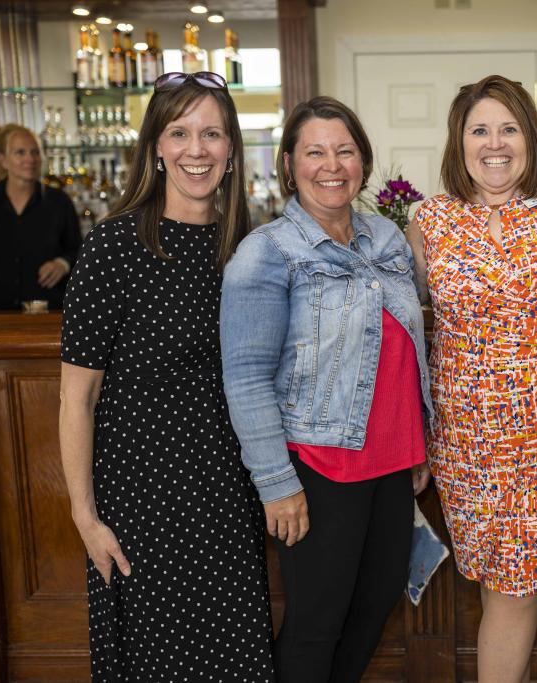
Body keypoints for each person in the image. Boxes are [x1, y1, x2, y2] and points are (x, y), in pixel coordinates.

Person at [57, 71, 274, 681]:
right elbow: (77, 398)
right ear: (156, 145)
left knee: (233, 661)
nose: (195, 150)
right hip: (142, 504)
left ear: (232, 149)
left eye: (211, 134)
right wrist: (85, 518)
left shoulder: (247, 248)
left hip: (227, 498)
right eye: (179, 133)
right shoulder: (114, 247)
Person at [220, 95, 433, 682]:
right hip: (318, 470)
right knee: (317, 624)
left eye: (344, 151)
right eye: (314, 152)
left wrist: (417, 442)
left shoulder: (386, 239)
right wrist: (275, 483)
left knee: (372, 611)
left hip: (391, 466)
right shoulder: (266, 254)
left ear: (363, 162)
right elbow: (244, 375)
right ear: (289, 164)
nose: (331, 164)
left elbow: (403, 349)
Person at [407, 74, 537, 683]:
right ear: (459, 142)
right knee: (496, 584)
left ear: (531, 137)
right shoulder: (429, 222)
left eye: (509, 128)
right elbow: (404, 335)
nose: (495, 143)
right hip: (465, 443)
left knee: (517, 588)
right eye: (480, 130)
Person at [0, 124, 81, 310]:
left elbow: (78, 251)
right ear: (3, 160)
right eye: (20, 152)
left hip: (47, 312)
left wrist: (63, 263)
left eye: (35, 152)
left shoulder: (59, 202)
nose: (30, 159)